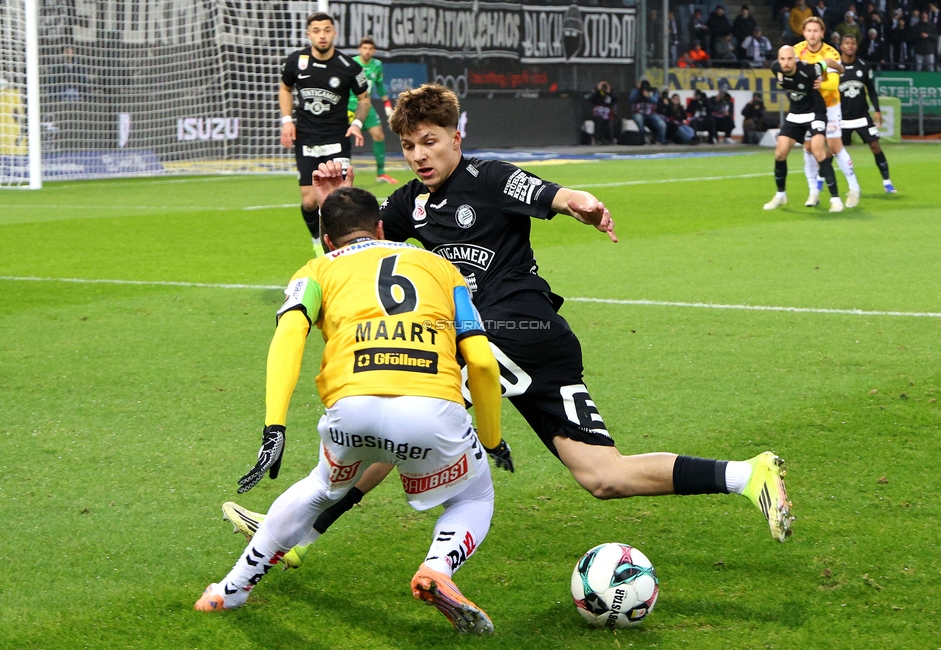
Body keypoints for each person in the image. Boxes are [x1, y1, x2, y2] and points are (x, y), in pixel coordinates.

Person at [222, 83, 795, 571]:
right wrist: (330, 200)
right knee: (603, 475)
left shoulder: (488, 177)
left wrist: (582, 203)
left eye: (431, 141)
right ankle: (748, 475)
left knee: (403, 411)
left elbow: (548, 193)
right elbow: (353, 246)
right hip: (532, 343)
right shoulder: (408, 205)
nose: (420, 155)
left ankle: (288, 537)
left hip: (515, 327)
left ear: (455, 139)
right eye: (409, 145)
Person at [195, 181, 507, 636]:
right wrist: (492, 438)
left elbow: (288, 337)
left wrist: (274, 427)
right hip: (432, 411)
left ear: (326, 239)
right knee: (474, 496)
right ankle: (437, 568)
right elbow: (479, 359)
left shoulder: (316, 270)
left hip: (352, 410)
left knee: (320, 487)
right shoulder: (442, 269)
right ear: (382, 227)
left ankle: (230, 589)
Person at [280, 12, 370, 258]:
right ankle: (315, 240)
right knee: (309, 202)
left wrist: (358, 124)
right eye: (317, 30)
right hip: (307, 139)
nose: (322, 35)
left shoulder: (349, 67)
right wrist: (287, 121)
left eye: (327, 29)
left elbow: (364, 99)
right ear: (309, 34)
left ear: (334, 33)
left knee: (338, 199)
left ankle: (340, 247)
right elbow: (285, 88)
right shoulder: (295, 62)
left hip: (336, 139)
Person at [763, 46, 846, 212]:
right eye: (782, 59)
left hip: (815, 112)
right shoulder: (775, 69)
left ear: (795, 59)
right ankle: (780, 195)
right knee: (780, 152)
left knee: (817, 150)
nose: (786, 63)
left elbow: (829, 61)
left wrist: (840, 70)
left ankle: (836, 199)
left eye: (789, 59)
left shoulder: (809, 70)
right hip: (796, 113)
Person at [795, 17, 862, 208]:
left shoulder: (830, 52)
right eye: (809, 30)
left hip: (830, 105)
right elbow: (787, 68)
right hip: (809, 107)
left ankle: (854, 187)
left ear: (822, 33)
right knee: (808, 147)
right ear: (804, 32)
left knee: (834, 146)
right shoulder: (797, 50)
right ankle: (813, 192)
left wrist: (818, 83)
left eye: (816, 31)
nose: (812, 34)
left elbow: (833, 82)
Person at [838, 34, 896, 192]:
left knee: (875, 146)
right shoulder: (835, 67)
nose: (850, 46)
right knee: (832, 151)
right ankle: (820, 181)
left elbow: (871, 90)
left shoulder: (863, 65)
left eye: (853, 43)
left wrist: (877, 110)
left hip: (862, 117)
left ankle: (887, 182)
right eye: (847, 43)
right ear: (841, 46)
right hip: (841, 118)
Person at [349, 37, 399, 184]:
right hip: (349, 103)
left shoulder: (377, 65)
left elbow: (379, 85)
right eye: (364, 48)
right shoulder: (352, 64)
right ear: (359, 49)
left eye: (370, 49)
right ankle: (339, 172)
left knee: (378, 135)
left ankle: (381, 173)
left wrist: (387, 103)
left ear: (374, 51)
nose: (367, 51)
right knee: (342, 137)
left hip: (366, 105)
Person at [629, 79, 667, 144]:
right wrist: (638, 90)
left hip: (651, 113)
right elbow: (631, 99)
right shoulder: (636, 91)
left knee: (662, 124)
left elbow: (655, 101)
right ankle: (642, 137)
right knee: (639, 118)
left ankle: (661, 139)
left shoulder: (654, 90)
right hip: (638, 112)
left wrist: (649, 96)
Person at [587, 80, 618, 145]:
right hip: (597, 113)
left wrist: (609, 92)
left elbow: (616, 99)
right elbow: (591, 99)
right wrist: (598, 90)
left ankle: (610, 139)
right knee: (599, 120)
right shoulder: (596, 92)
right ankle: (597, 140)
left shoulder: (612, 92)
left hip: (608, 114)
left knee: (610, 122)